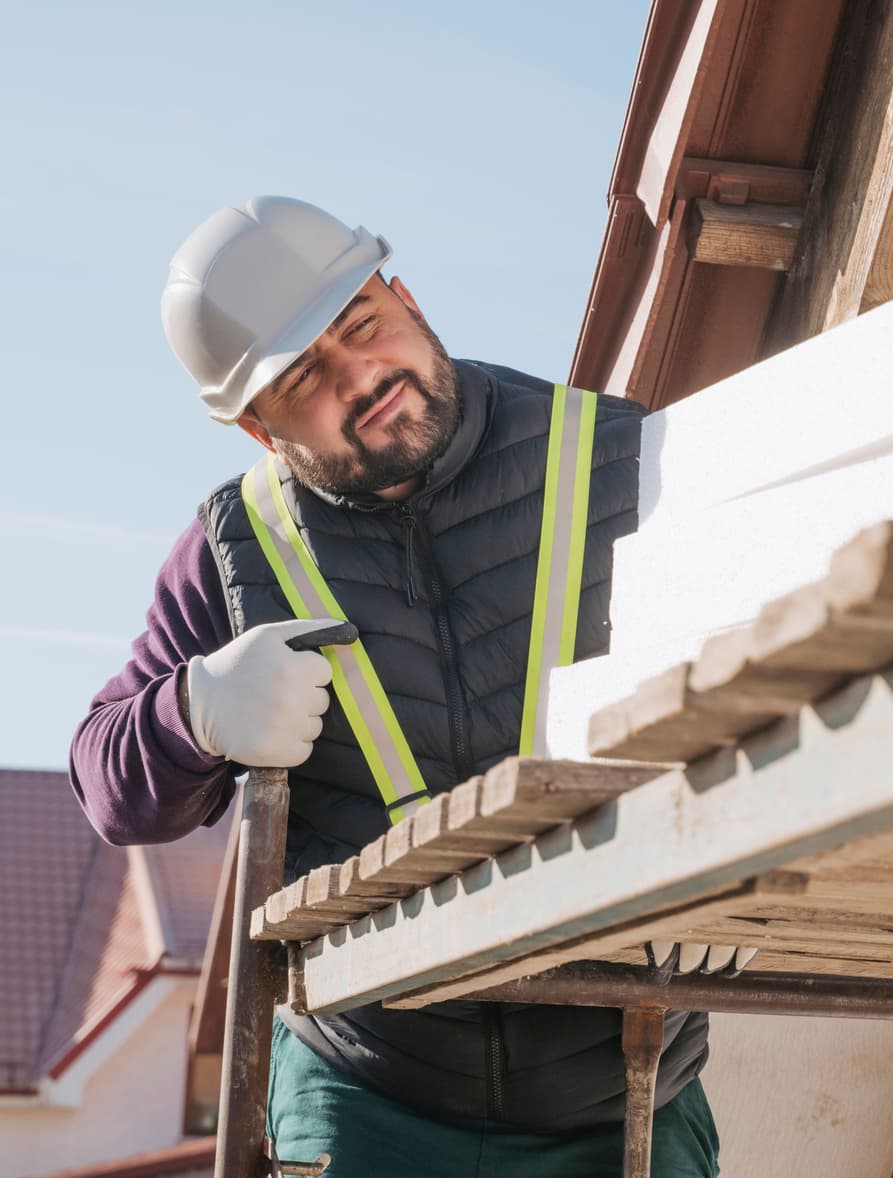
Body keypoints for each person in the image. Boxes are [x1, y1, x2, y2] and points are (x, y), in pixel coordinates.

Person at [68, 196, 719, 1176]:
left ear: (403, 294)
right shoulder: (236, 554)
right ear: (255, 425)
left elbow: (772, 683)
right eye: (305, 376)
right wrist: (194, 711)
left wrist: (739, 869)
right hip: (372, 1094)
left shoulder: (621, 462)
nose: (360, 375)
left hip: (623, 1074)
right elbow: (106, 781)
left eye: (362, 324)